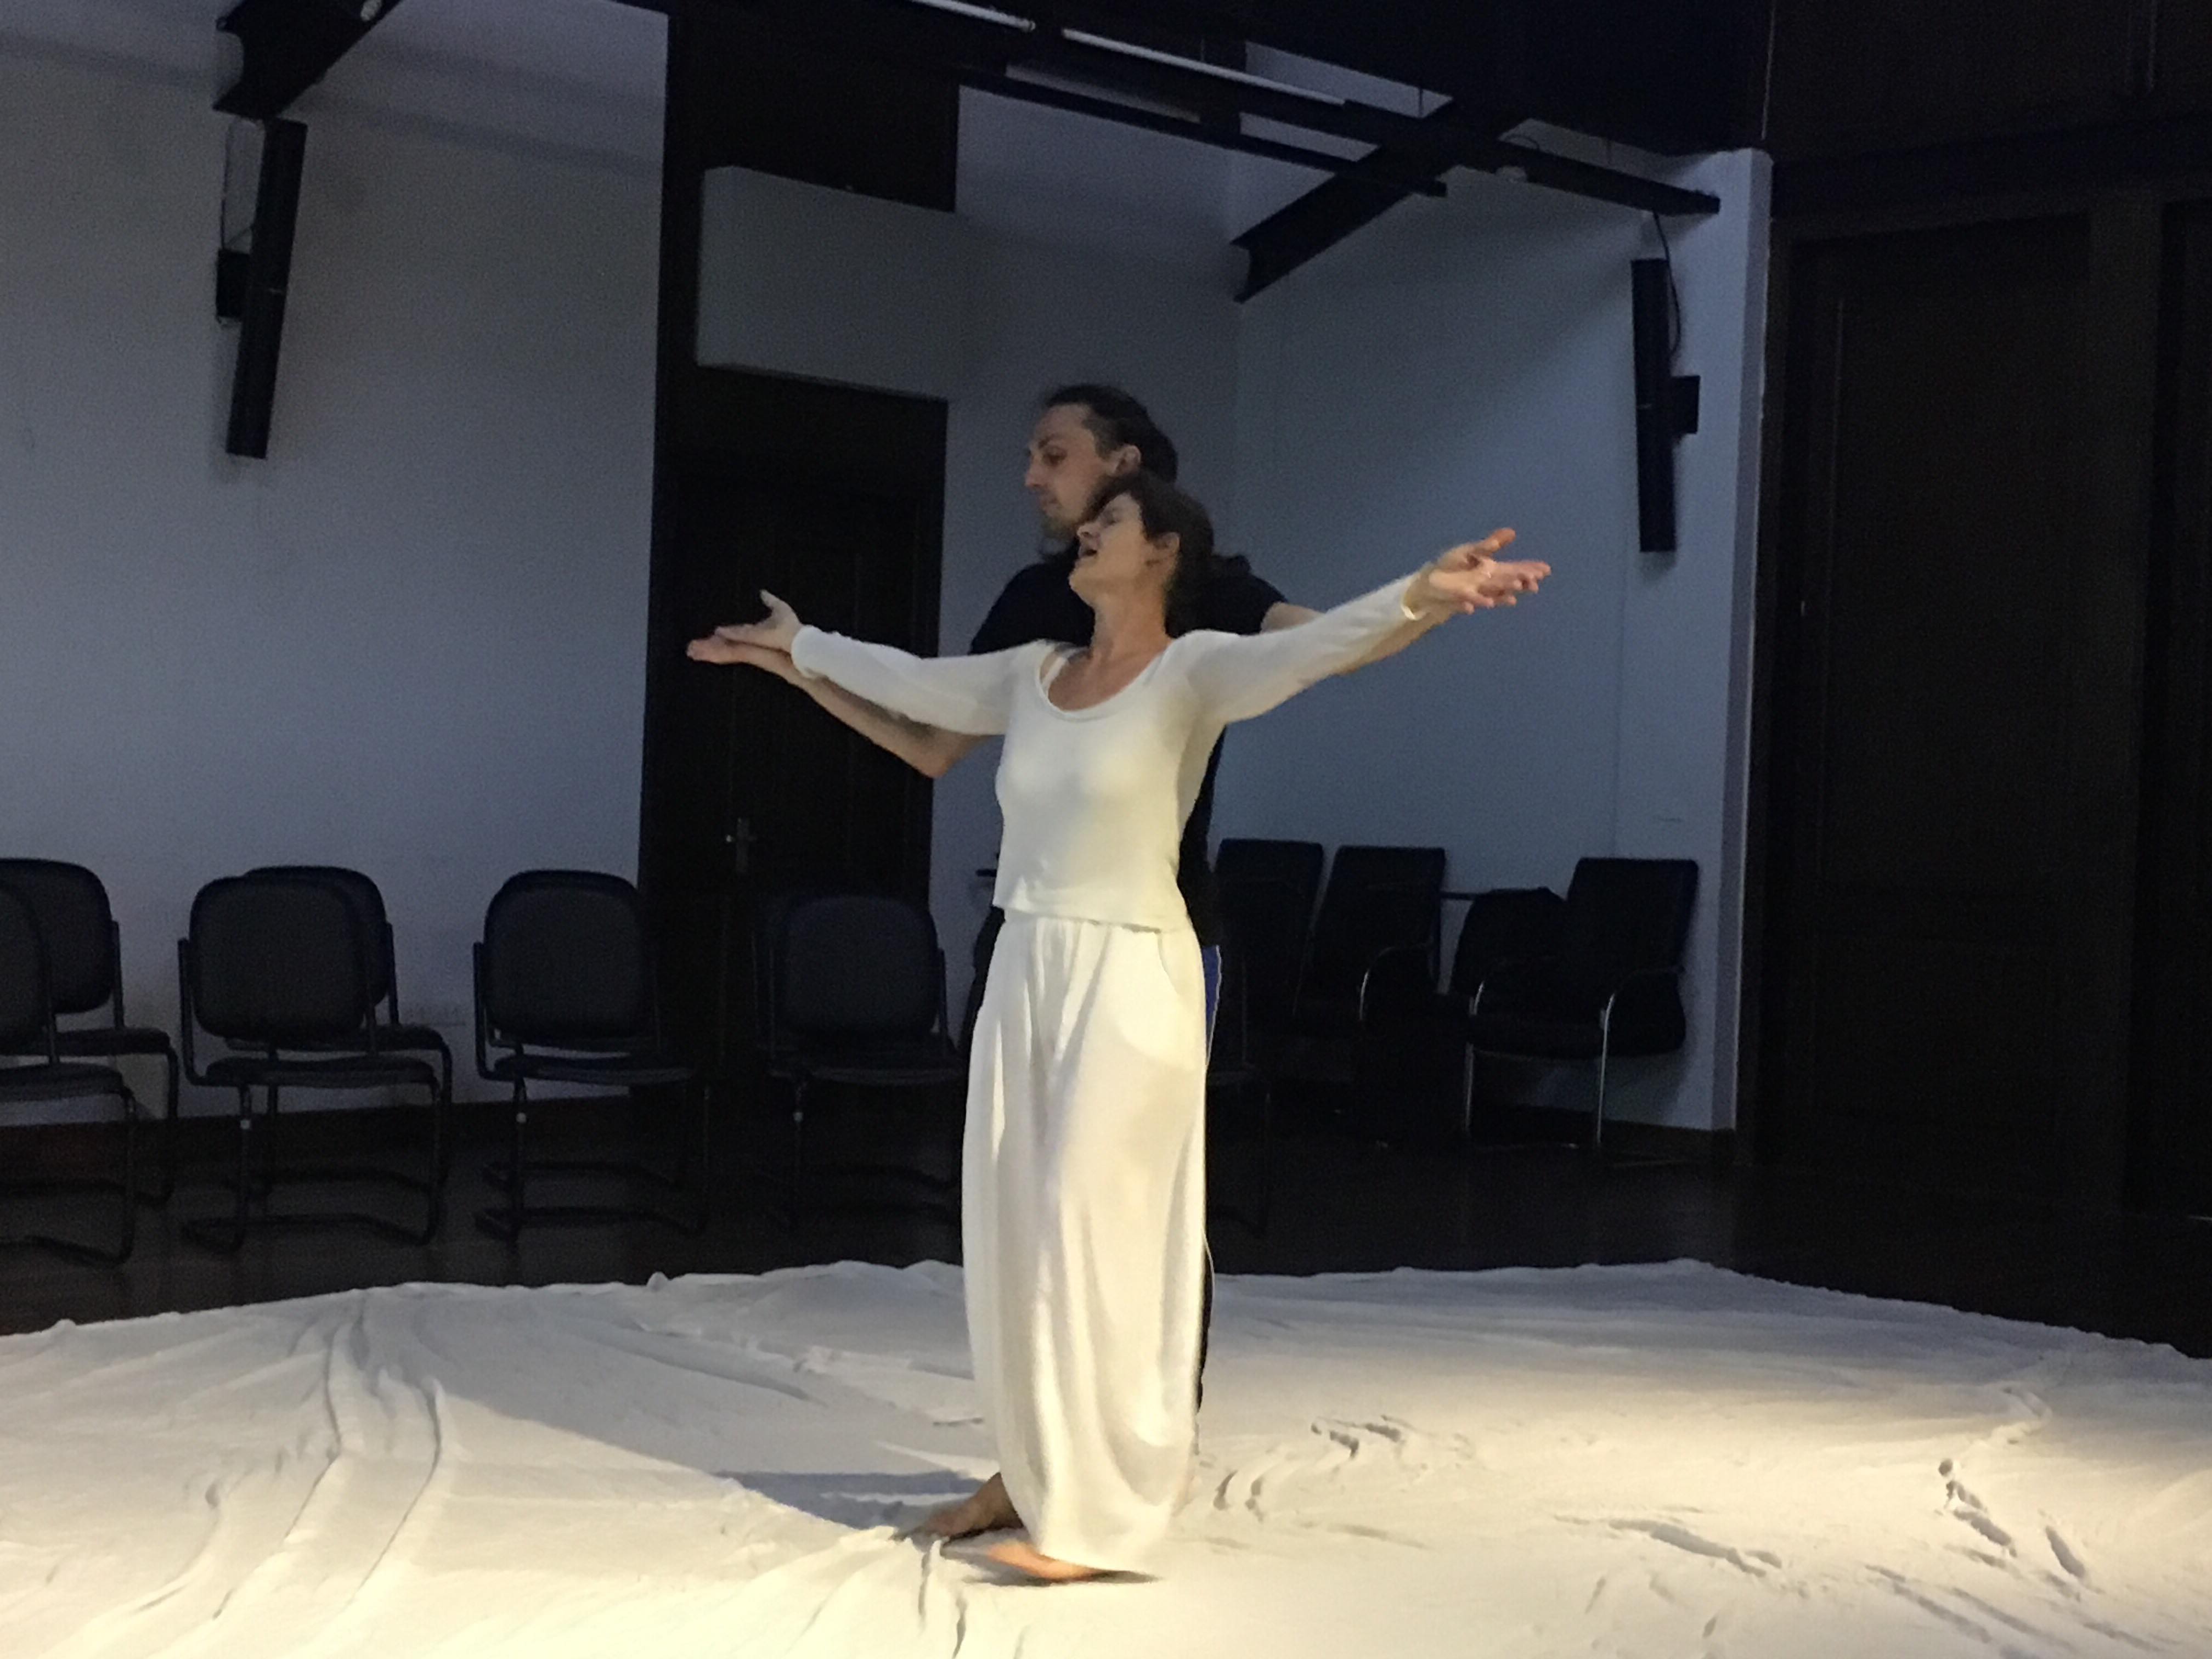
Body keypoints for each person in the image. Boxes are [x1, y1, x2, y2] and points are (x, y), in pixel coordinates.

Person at [689, 470, 1548, 1581]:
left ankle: (1102, 1516)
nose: (1086, 532)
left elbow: (1321, 647)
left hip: (1132, 968)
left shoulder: (1197, 670)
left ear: (1164, 553)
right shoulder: (1035, 673)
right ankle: (1031, 1471)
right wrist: (801, 645)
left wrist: (1424, 590)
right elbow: (915, 682)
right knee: (1015, 1227)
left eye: (1111, 522)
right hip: (1029, 962)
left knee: (1094, 1232)